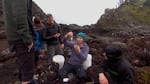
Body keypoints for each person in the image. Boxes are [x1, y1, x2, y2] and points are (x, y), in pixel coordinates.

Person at [2, 0, 35, 84]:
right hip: (21, 39)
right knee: (27, 75)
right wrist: (27, 40)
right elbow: (19, 16)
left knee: (23, 69)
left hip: (15, 37)